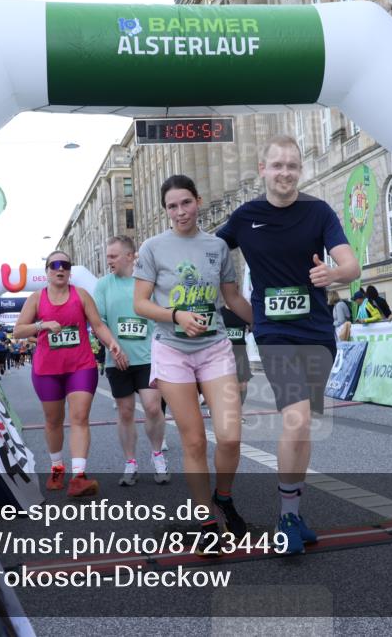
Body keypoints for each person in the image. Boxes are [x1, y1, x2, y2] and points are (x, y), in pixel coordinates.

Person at [218, 135, 361, 554]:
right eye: (277, 165)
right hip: (274, 334)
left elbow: (351, 265)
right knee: (296, 418)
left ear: (300, 170)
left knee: (304, 424)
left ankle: (294, 514)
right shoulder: (245, 217)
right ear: (262, 169)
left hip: (317, 333)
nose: (285, 173)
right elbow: (208, 251)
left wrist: (333, 274)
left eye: (292, 166)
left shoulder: (318, 212)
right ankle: (285, 517)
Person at [133, 174, 254, 552]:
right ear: (165, 210)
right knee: (195, 440)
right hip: (172, 351)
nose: (180, 211)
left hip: (214, 347)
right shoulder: (153, 248)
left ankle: (224, 497)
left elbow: (232, 298)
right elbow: (140, 303)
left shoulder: (217, 246)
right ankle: (206, 520)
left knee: (230, 436)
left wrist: (265, 325)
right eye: (172, 206)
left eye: (186, 202)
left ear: (198, 201)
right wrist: (176, 316)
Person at [14, 250, 126, 498]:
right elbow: (18, 331)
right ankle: (57, 468)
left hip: (80, 366)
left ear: (70, 270)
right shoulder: (36, 298)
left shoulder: (81, 295)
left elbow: (98, 325)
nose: (60, 268)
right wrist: (42, 325)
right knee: (53, 420)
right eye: (54, 265)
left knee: (79, 417)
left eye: (65, 264)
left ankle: (78, 476)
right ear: (47, 271)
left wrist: (112, 343)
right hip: (47, 370)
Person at [93, 235, 169, 487]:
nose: (109, 261)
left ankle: (157, 455)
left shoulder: (147, 282)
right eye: (107, 256)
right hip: (117, 360)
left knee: (153, 408)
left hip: (148, 358)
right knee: (125, 412)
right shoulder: (103, 285)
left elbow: (161, 315)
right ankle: (130, 462)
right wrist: (113, 348)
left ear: (129, 256)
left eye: (113, 256)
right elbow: (99, 322)